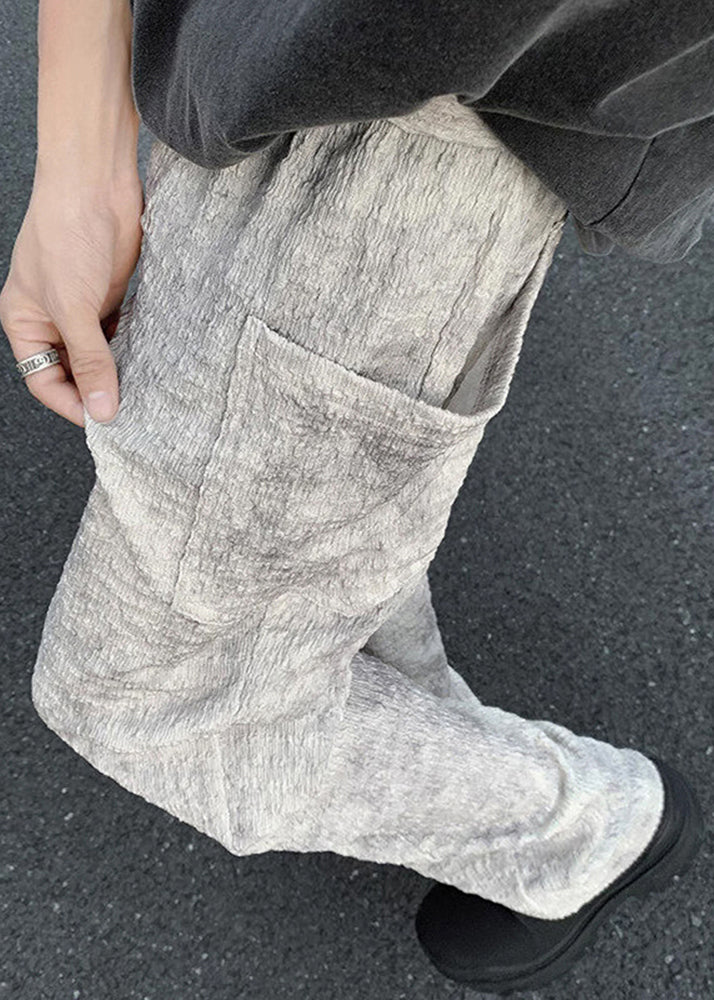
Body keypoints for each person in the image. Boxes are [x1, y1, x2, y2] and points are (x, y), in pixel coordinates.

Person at [0, 1, 707, 993]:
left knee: (147, 700)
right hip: (267, 68)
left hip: (408, 137)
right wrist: (80, 155)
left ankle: (590, 832)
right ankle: (431, 729)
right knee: (322, 551)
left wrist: (83, 153)